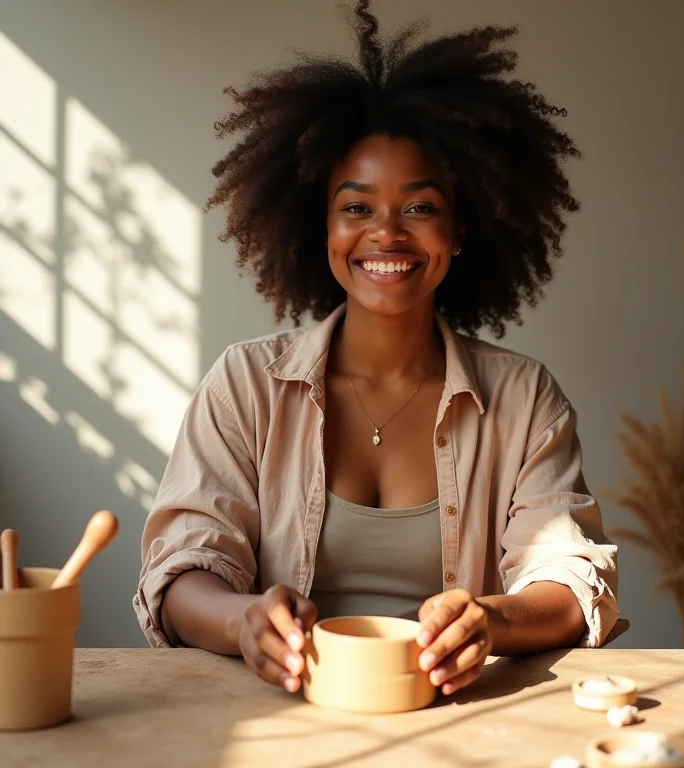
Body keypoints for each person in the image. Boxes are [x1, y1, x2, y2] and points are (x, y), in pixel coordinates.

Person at [133, 0, 619, 699]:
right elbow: (182, 567)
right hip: (273, 721)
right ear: (319, 227)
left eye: (419, 207)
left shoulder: (522, 398)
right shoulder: (246, 383)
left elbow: (571, 578)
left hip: (460, 721)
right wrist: (245, 621)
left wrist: (491, 619)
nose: (386, 234)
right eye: (356, 207)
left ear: (458, 230)